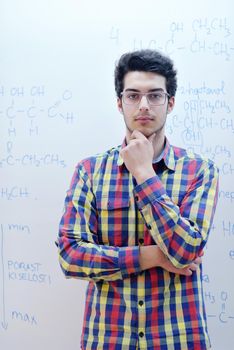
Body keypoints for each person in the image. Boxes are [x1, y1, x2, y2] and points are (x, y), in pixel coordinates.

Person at [57, 49, 219, 350]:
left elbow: (186, 250)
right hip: (108, 339)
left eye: (155, 95)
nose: (144, 105)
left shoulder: (201, 170)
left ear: (170, 103)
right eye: (133, 95)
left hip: (178, 338)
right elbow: (70, 256)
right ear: (120, 103)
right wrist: (153, 256)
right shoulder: (90, 171)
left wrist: (144, 173)